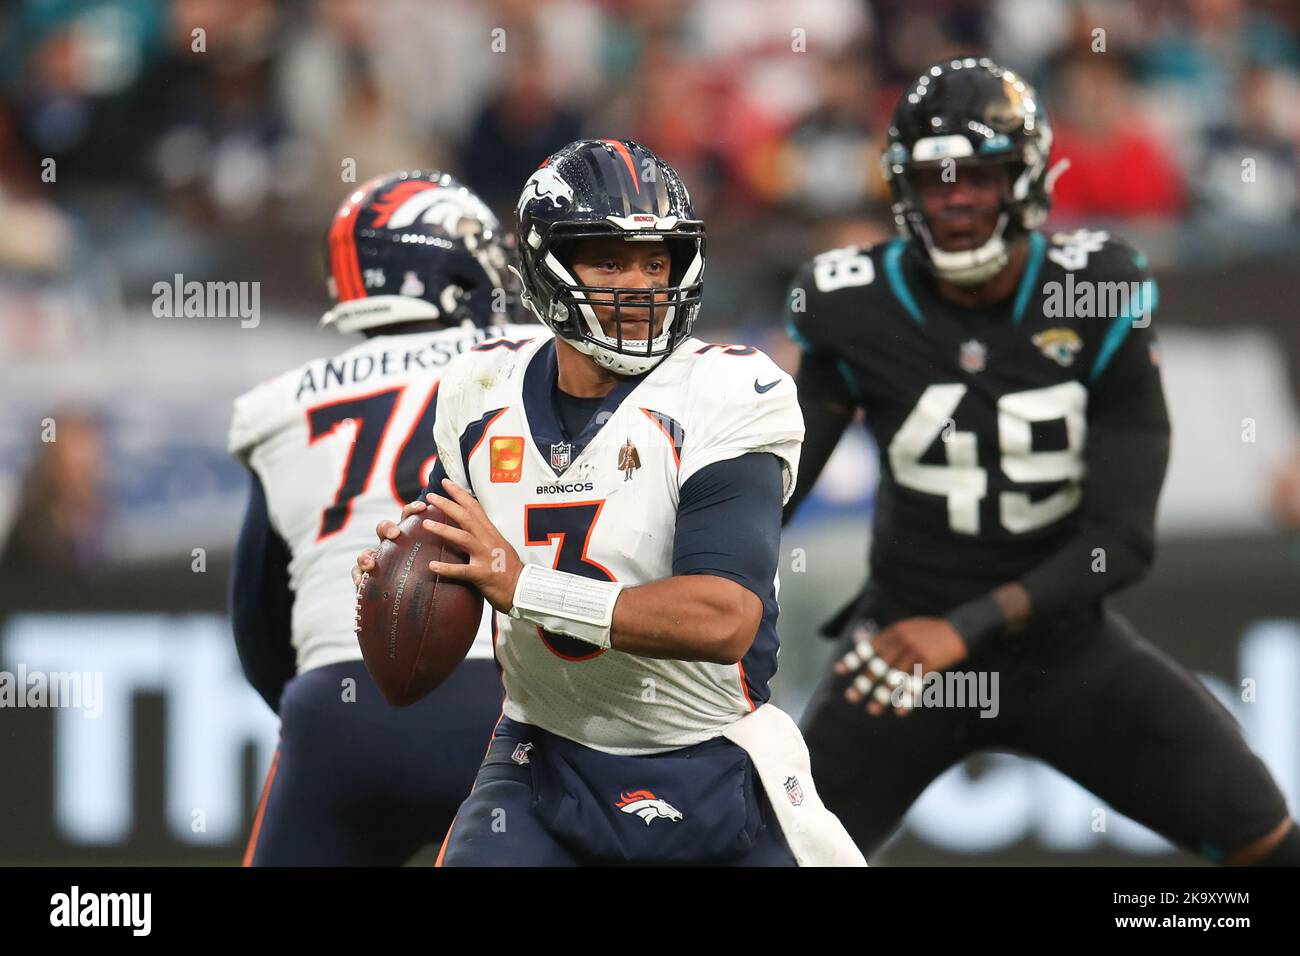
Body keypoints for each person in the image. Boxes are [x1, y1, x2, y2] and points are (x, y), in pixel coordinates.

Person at [783, 57, 1299, 866]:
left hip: (1059, 647)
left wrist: (964, 629)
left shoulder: (1095, 289)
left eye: (978, 177)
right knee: (776, 854)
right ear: (900, 190)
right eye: (934, 180)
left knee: (1261, 831)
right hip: (903, 653)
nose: (954, 200)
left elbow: (1121, 541)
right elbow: (780, 487)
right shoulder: (850, 303)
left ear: (1026, 179)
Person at [353, 139, 862, 867]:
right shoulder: (478, 390)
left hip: (714, 765)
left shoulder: (726, 394)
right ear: (542, 267)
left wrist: (524, 586)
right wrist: (407, 564)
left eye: (656, 262)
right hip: (543, 758)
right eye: (610, 260)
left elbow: (725, 617)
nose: (641, 285)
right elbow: (456, 552)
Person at [229, 170, 537, 865]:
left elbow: (256, 619)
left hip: (334, 711)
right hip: (504, 704)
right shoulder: (532, 368)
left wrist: (340, 713)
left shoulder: (282, 402)